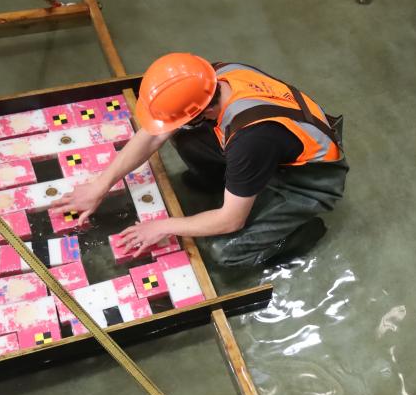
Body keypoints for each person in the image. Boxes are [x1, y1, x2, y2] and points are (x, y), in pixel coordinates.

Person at [53, 53, 347, 268]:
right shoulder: (211, 76)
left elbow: (231, 221)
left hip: (308, 181)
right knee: (185, 135)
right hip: (272, 147)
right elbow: (155, 134)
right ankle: (226, 186)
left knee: (226, 254)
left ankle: (300, 233)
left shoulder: (251, 141)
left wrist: (163, 226)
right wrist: (100, 185)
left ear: (200, 109)